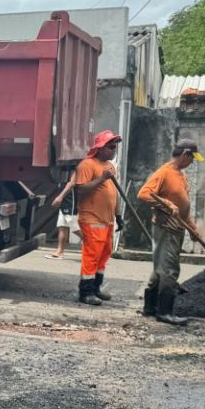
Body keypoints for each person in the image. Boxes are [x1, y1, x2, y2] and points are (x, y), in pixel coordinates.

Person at [137, 140, 204, 326]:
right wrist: (167, 204)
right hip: (166, 227)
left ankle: (150, 307)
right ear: (185, 154)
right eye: (192, 158)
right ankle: (165, 312)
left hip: (178, 226)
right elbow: (144, 193)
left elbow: (184, 206)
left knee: (160, 268)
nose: (192, 162)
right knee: (169, 269)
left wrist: (192, 228)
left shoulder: (180, 175)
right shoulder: (164, 172)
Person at [70, 130, 124, 305]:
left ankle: (96, 288)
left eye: (115, 147)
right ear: (100, 148)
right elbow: (80, 189)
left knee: (104, 255)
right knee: (92, 255)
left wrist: (118, 215)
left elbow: (113, 193)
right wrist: (101, 179)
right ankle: (85, 292)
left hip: (107, 220)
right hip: (91, 218)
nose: (114, 150)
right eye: (110, 146)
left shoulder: (110, 167)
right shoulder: (87, 165)